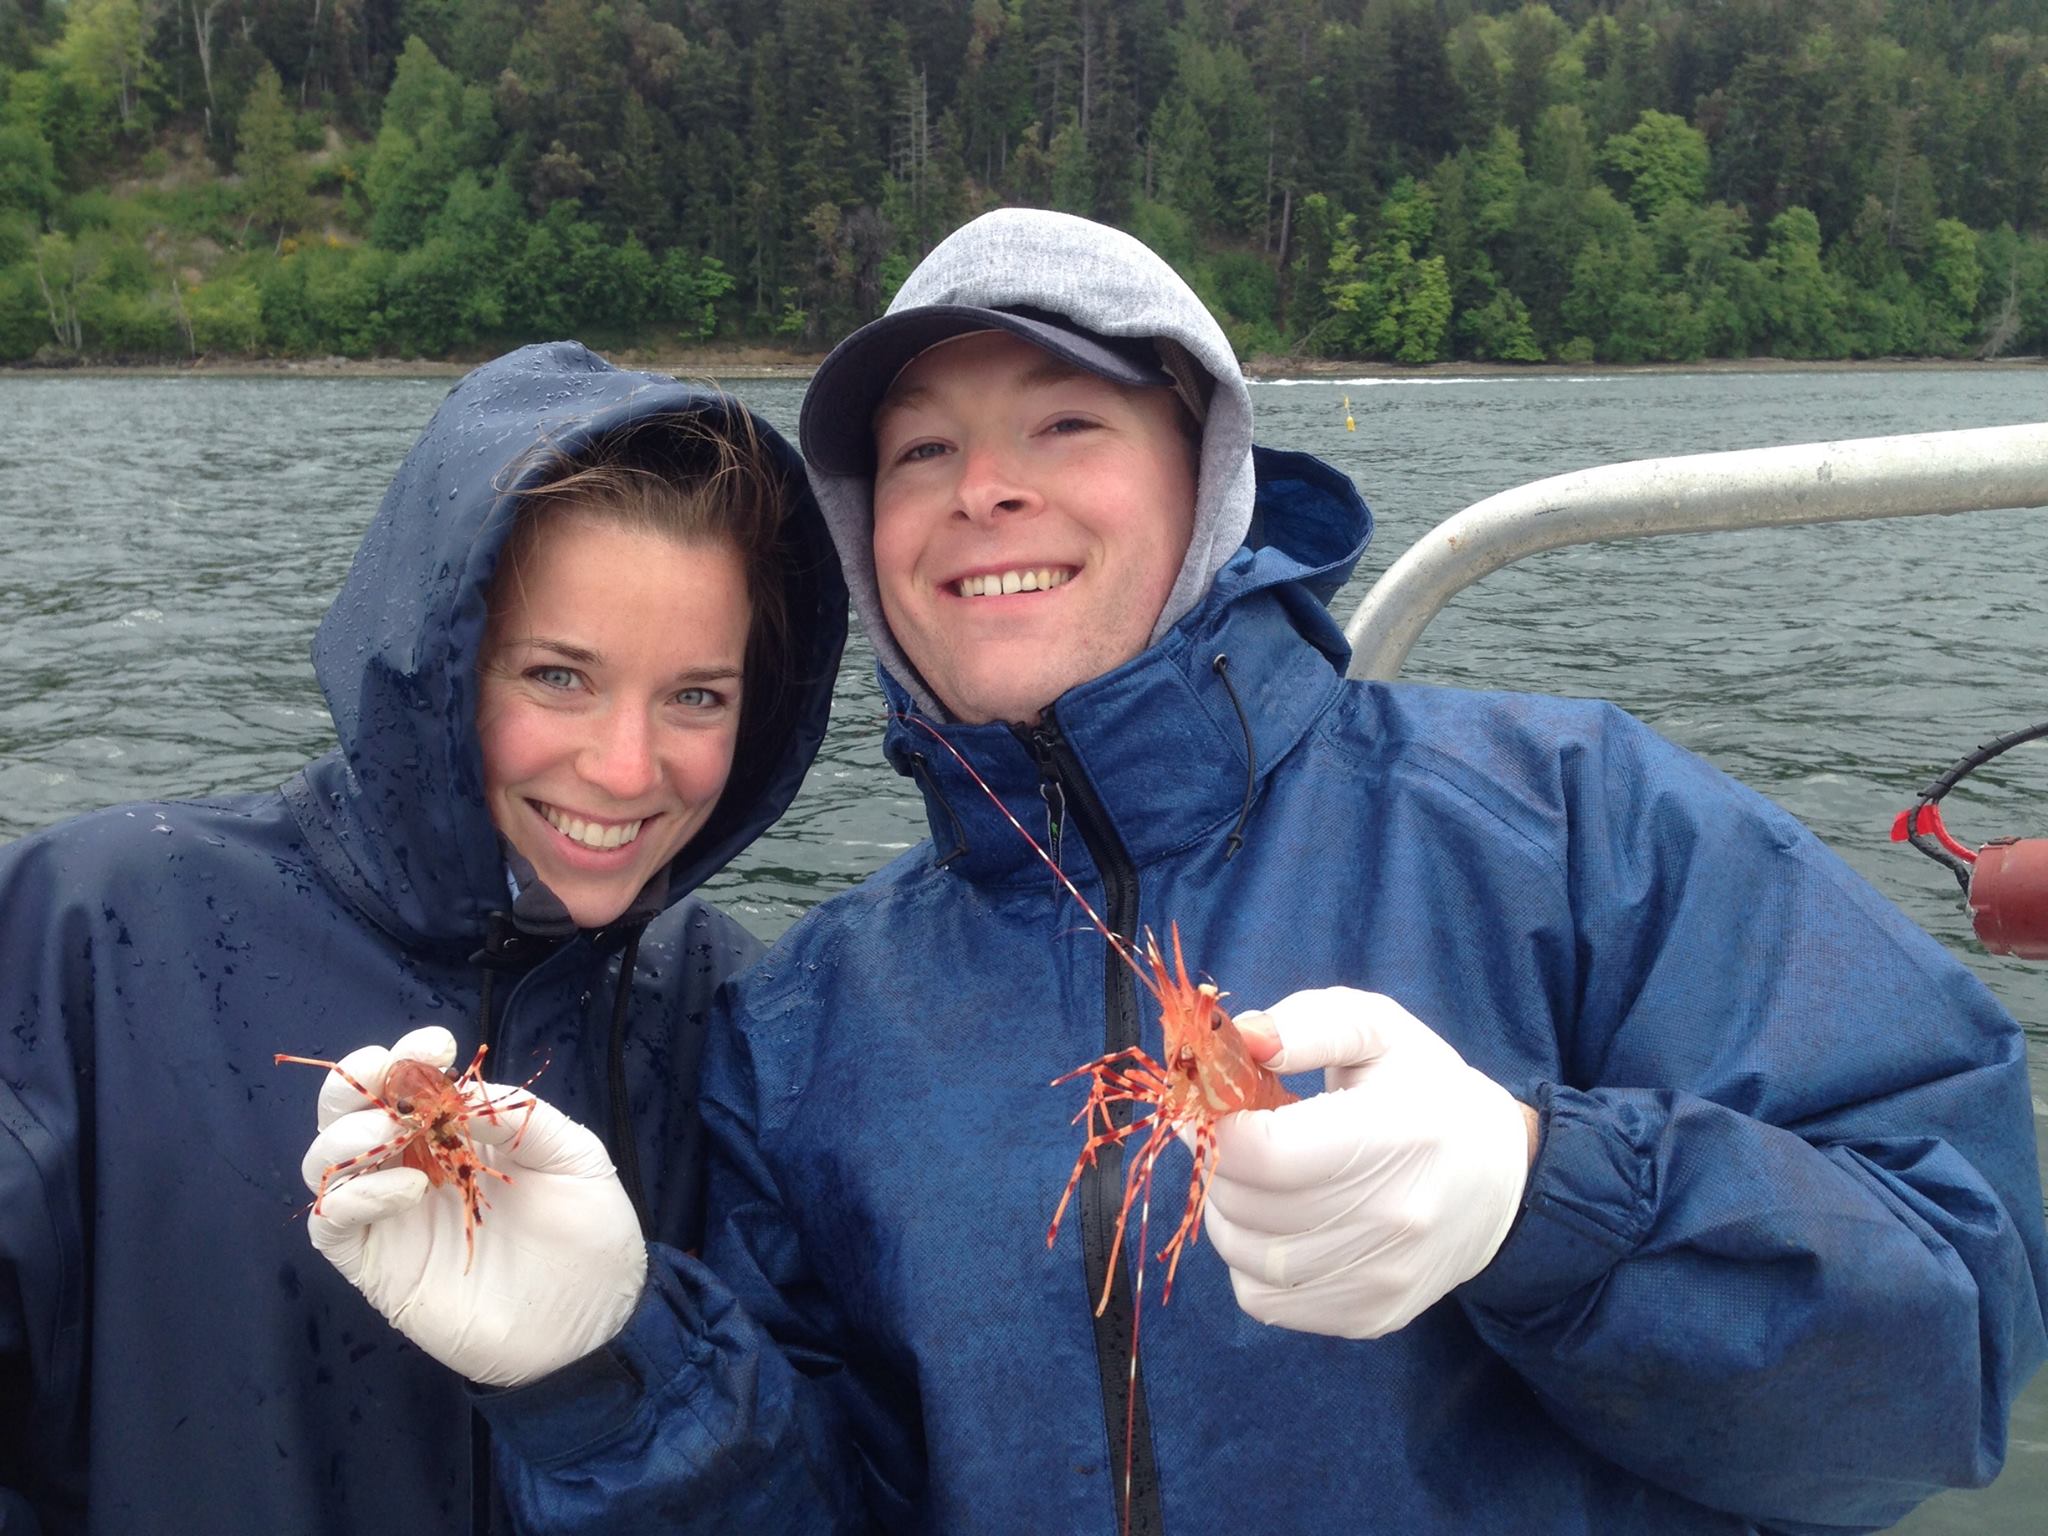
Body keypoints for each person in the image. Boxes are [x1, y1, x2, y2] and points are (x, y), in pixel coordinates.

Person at [306, 213, 2048, 1533]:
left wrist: (1546, 1193)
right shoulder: (808, 1020)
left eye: (1064, 424)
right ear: (866, 543)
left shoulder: (1573, 818)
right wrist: (605, 1368)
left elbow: (1944, 1354)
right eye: (920, 453)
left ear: (1201, 478)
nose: (984, 490)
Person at [0, 340, 846, 1535]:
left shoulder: (740, 1016)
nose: (624, 767)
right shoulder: (84, 928)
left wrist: (607, 1377)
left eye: (696, 695)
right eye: (558, 676)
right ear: (437, 667)